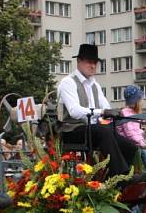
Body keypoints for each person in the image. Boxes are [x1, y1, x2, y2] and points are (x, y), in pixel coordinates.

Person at [57, 44, 136, 177]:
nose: (93, 66)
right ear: (79, 61)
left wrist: (119, 112)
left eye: (95, 62)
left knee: (129, 146)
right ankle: (122, 174)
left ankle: (115, 182)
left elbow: (106, 107)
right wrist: (102, 112)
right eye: (89, 62)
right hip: (71, 130)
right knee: (103, 131)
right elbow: (74, 111)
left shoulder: (95, 85)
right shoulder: (68, 82)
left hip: (92, 130)